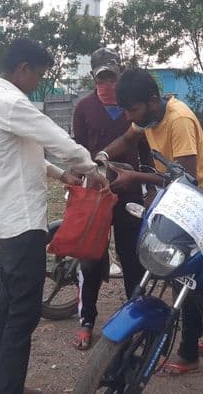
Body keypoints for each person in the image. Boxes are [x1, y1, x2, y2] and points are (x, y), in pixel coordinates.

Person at [0, 38, 107, 394]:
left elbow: (27, 151)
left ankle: (1, 384)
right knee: (23, 315)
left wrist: (60, 174)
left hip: (11, 226)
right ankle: (9, 389)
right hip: (22, 228)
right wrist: (88, 167)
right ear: (23, 69)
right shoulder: (11, 103)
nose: (38, 81)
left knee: (8, 312)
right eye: (38, 74)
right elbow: (54, 137)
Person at [96, 68, 203, 375]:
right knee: (182, 275)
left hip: (201, 202)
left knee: (185, 277)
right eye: (125, 110)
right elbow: (127, 138)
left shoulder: (177, 119)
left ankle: (190, 352)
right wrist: (99, 157)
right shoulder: (148, 116)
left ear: (153, 100)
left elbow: (187, 178)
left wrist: (134, 177)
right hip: (177, 200)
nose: (129, 117)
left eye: (133, 109)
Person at [70, 48, 149, 350]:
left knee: (132, 260)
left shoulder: (132, 109)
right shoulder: (84, 108)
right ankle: (86, 322)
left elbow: (143, 149)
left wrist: (148, 186)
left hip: (128, 192)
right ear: (93, 76)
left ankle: (134, 322)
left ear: (120, 74)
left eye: (111, 77)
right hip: (95, 194)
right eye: (101, 78)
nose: (107, 84)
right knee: (91, 261)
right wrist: (78, 177)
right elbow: (77, 147)